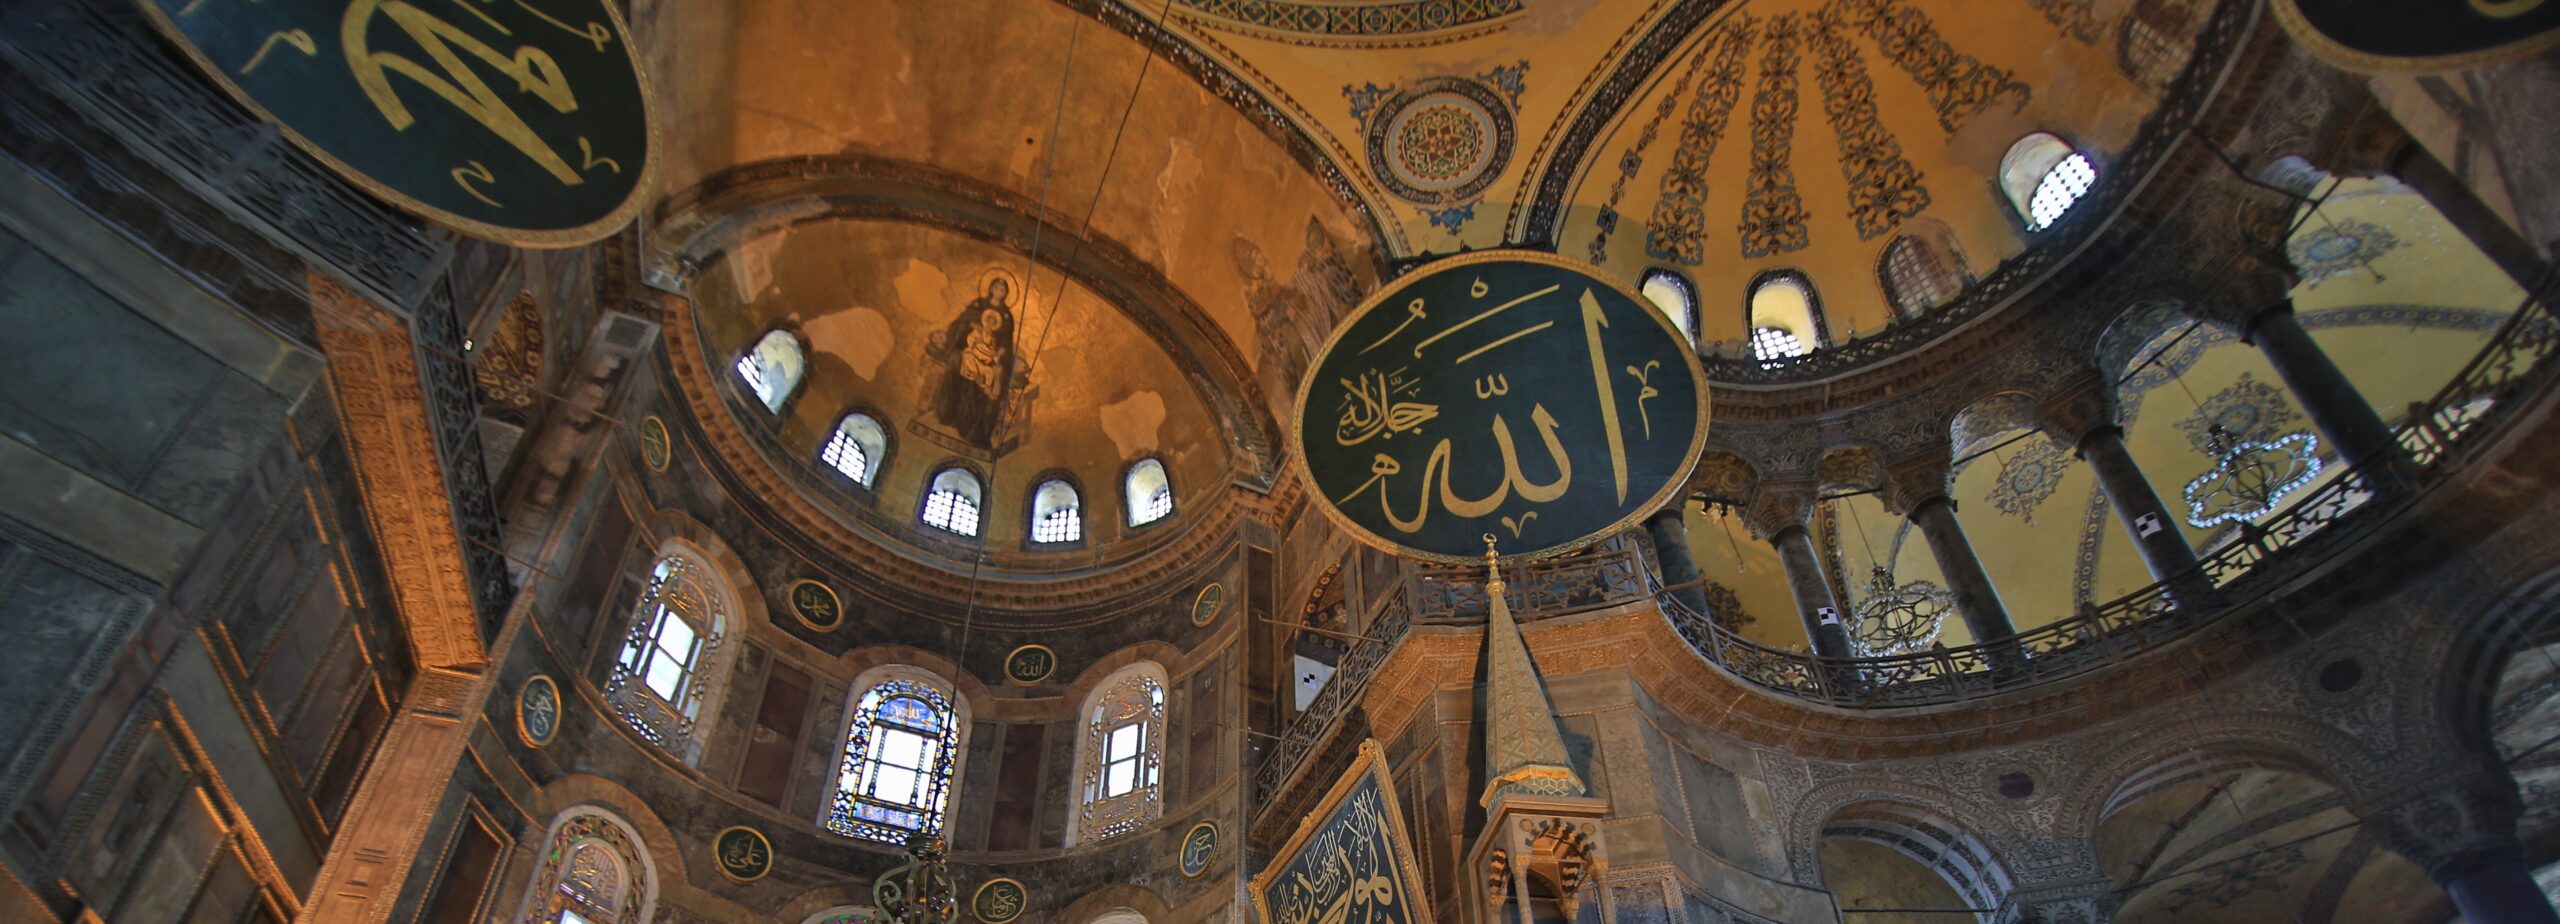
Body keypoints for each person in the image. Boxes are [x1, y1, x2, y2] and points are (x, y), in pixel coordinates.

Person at [930, 275, 1018, 446]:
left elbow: (1007, 342)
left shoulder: (1006, 316)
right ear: (991, 288)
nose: (999, 291)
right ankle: (948, 413)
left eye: (1002, 289)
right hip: (970, 350)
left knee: (992, 379)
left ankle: (976, 430)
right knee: (957, 362)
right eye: (996, 287)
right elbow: (962, 324)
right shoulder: (978, 305)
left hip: (990, 357)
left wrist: (998, 353)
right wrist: (974, 328)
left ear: (1006, 293)